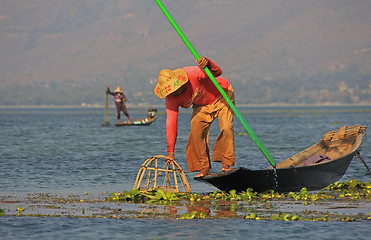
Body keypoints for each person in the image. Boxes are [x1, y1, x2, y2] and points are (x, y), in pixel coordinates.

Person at [154, 56, 235, 178]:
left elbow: (218, 72)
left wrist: (208, 63)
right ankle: (204, 167)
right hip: (202, 105)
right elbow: (171, 124)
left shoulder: (192, 73)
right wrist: (170, 153)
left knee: (226, 127)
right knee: (196, 133)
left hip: (222, 95)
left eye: (175, 89)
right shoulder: (171, 99)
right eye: (171, 91)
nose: (174, 93)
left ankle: (226, 163)